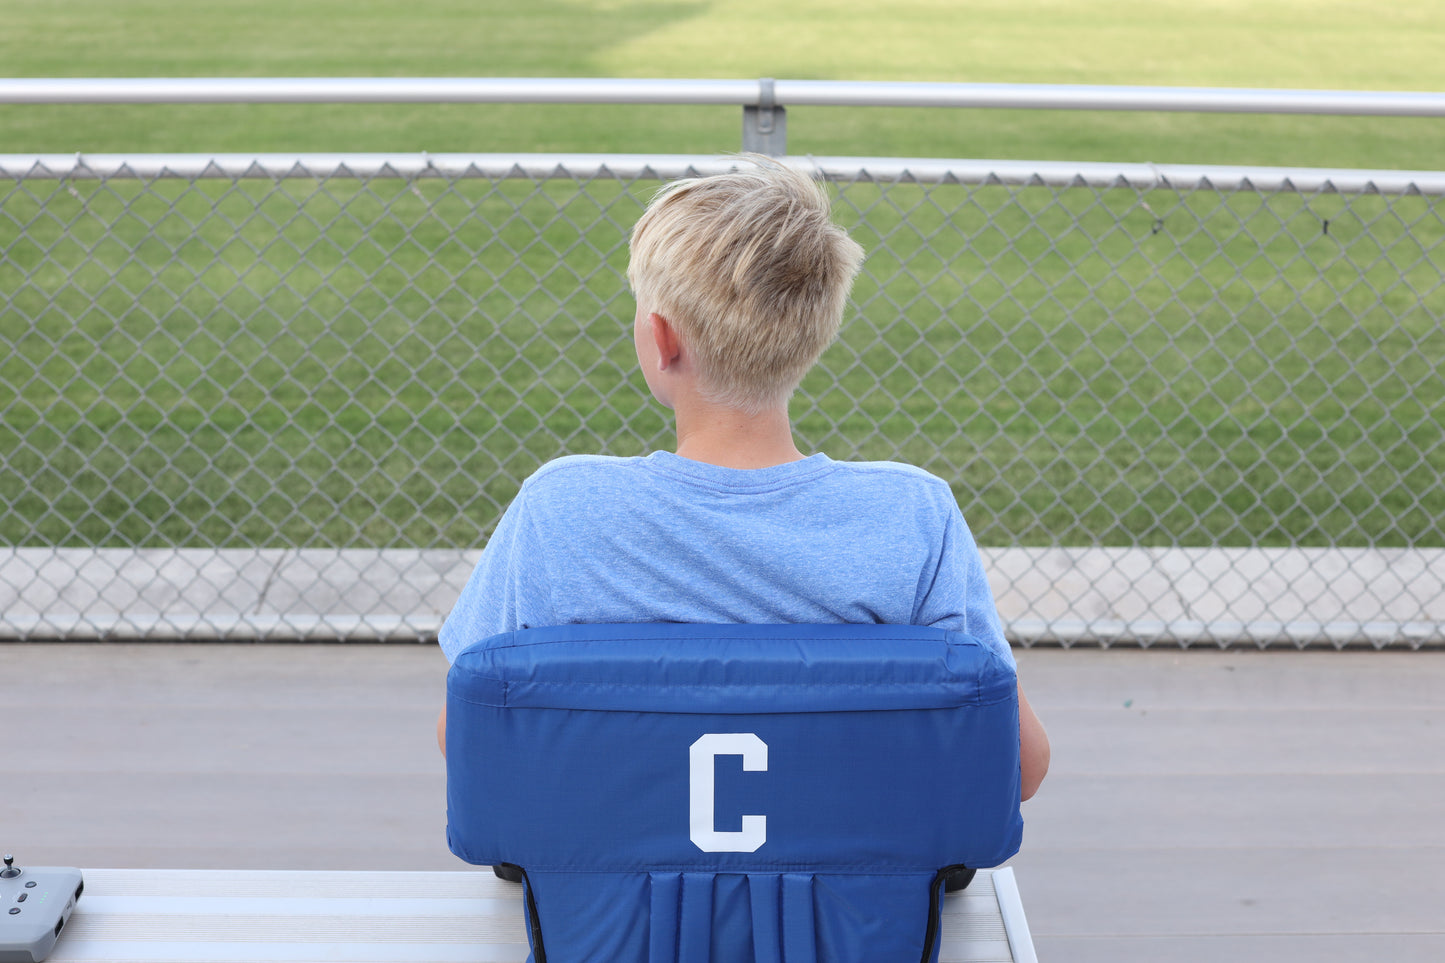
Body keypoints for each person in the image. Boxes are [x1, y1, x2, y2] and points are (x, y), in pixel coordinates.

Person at [436, 155, 1049, 800]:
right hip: (850, 896)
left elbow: (465, 734)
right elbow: (1020, 765)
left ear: (662, 338)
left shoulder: (561, 508)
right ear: (816, 335)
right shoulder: (912, 515)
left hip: (607, 897)